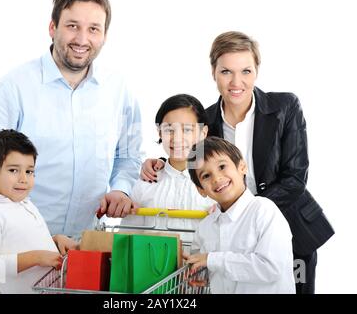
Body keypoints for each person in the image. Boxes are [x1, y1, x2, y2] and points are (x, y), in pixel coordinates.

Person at [141, 31, 334, 294]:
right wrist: (160, 162)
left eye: (245, 71)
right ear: (213, 72)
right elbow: (194, 162)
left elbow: (295, 178)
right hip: (234, 236)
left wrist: (247, 208)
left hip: (291, 224)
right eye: (226, 72)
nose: (236, 82)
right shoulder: (206, 121)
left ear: (256, 71)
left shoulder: (285, 106)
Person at [0, 0, 142, 241]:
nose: (82, 39)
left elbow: (129, 155)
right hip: (19, 243)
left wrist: (120, 189)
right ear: (53, 28)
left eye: (93, 29)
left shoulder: (119, 90)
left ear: (104, 35)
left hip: (88, 244)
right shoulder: (15, 87)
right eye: (72, 26)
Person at [184, 136, 295, 294]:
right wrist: (199, 273)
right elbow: (207, 268)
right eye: (206, 176)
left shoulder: (264, 210)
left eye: (222, 166)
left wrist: (211, 259)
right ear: (200, 189)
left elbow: (271, 268)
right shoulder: (204, 228)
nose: (217, 178)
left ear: (242, 166)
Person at [0, 129, 78, 294]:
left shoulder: (25, 204)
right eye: (13, 170)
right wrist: (36, 258)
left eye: (29, 171)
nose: (24, 179)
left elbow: (18, 240)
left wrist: (55, 240)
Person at [121, 94, 216, 244]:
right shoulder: (145, 183)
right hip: (152, 266)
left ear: (203, 133)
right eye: (169, 130)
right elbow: (128, 239)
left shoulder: (219, 183)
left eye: (187, 130)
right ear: (159, 133)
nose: (177, 138)